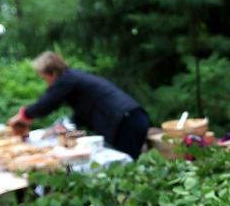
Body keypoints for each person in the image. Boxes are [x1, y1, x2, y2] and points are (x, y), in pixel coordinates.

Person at [8, 52, 149, 159]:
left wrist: (22, 115)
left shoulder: (67, 79)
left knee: (125, 169)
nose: (46, 83)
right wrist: (60, 128)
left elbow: (45, 105)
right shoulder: (73, 77)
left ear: (53, 72)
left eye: (44, 78)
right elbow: (80, 115)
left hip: (127, 122)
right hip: (131, 118)